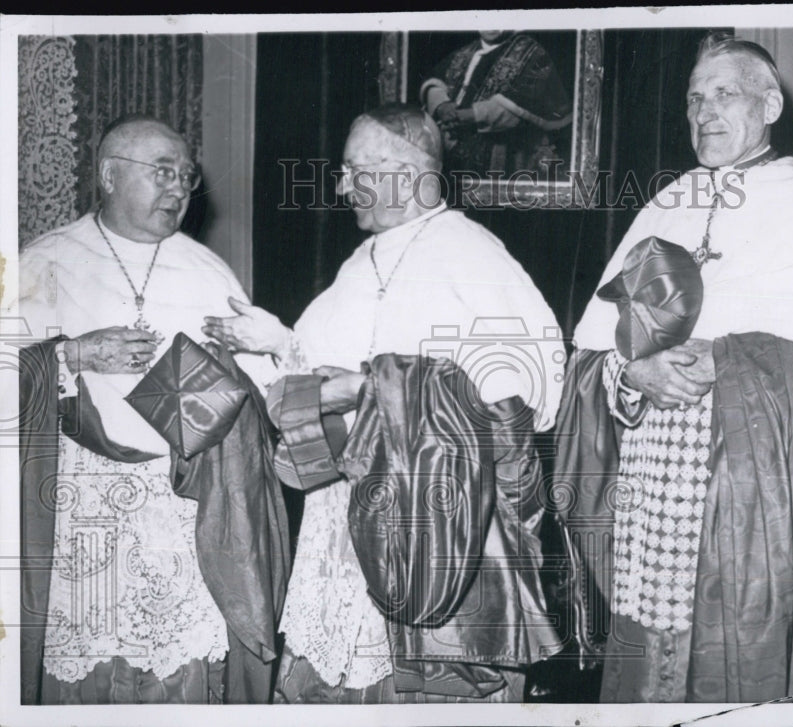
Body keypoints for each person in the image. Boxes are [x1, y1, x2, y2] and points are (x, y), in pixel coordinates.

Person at [203, 103, 564, 703]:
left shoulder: (475, 256)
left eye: (354, 169)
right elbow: (323, 374)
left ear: (408, 172)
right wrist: (277, 343)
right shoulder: (361, 260)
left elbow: (527, 401)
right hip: (340, 525)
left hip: (437, 532)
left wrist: (367, 389)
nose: (342, 186)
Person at [560, 33, 793, 702]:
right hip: (652, 492)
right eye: (695, 99)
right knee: (650, 666)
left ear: (770, 104)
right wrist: (630, 373)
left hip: (759, 491)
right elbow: (590, 356)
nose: (704, 112)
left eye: (724, 93)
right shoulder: (664, 203)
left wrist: (729, 359)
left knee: (743, 658)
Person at [15, 115, 282, 704]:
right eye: (162, 172)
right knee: (86, 673)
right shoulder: (44, 260)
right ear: (110, 175)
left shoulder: (209, 270)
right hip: (81, 514)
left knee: (178, 674)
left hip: (183, 514)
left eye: (186, 177)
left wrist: (241, 372)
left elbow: (263, 400)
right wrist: (72, 354)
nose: (179, 189)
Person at [420, 30, 572, 177]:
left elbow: (523, 105)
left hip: (499, 153)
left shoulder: (530, 51)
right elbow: (435, 81)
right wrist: (442, 106)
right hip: (450, 150)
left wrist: (470, 115)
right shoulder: (466, 52)